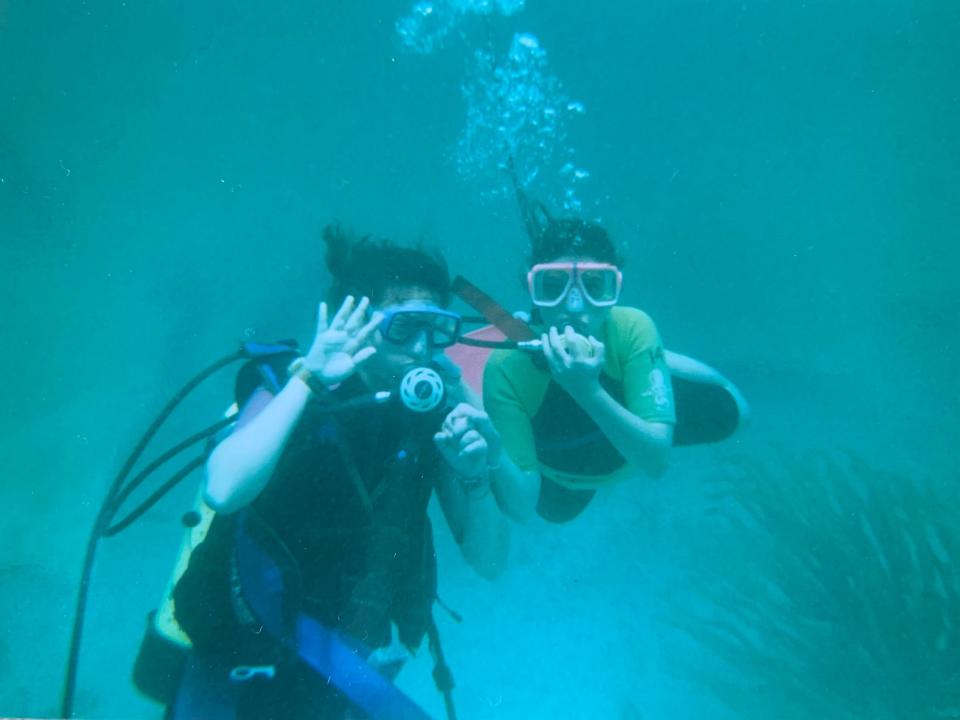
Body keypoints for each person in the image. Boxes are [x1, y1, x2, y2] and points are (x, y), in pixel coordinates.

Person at [168, 223, 510, 719]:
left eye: (434, 330)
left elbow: (491, 562)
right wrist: (308, 378)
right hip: (235, 637)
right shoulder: (287, 378)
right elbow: (222, 489)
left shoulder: (432, 415)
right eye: (404, 326)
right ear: (359, 319)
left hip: (345, 657)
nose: (421, 349)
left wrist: (476, 477)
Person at [482, 213, 676, 523]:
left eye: (595, 286)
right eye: (553, 287)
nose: (573, 306)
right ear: (532, 290)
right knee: (555, 513)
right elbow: (521, 507)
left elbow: (656, 464)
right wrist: (492, 455)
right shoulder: (506, 368)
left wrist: (586, 390)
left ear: (616, 290)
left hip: (627, 451)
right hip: (566, 477)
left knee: (733, 412)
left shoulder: (633, 328)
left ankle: (659, 360)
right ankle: (652, 361)